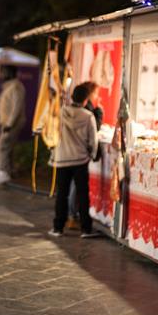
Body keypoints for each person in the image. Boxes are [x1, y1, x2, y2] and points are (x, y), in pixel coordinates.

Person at [48, 83, 99, 238]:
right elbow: (93, 141)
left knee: (61, 194)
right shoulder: (88, 116)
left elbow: (52, 131)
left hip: (62, 158)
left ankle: (58, 228)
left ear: (72, 97)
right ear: (85, 100)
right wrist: (92, 154)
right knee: (82, 194)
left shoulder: (61, 112)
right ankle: (86, 229)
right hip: (80, 160)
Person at [66, 81, 103, 230]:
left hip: (67, 154)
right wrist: (94, 154)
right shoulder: (87, 114)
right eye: (95, 93)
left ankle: (66, 220)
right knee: (78, 188)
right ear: (87, 97)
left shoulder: (65, 112)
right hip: (79, 155)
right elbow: (93, 135)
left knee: (68, 188)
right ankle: (79, 221)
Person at [0, 65, 26, 186]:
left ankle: (3, 173)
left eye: (3, 72)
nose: (1, 75)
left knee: (3, 146)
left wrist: (9, 124)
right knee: (7, 148)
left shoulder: (15, 87)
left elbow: (16, 107)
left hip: (11, 124)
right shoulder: (11, 86)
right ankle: (9, 171)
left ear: (10, 73)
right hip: (8, 123)